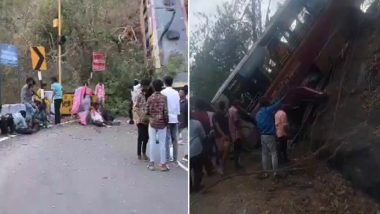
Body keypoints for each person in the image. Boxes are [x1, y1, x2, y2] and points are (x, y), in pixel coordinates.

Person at [255, 97, 283, 177]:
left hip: (262, 135)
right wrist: (281, 97)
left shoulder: (258, 114)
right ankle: (275, 172)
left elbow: (257, 126)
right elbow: (278, 104)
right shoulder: (268, 110)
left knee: (264, 154)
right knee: (273, 153)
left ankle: (266, 172)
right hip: (270, 135)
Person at [146, 79, 169, 171]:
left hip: (152, 122)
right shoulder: (164, 98)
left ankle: (151, 164)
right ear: (161, 87)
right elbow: (166, 112)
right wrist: (167, 123)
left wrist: (150, 118)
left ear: (153, 87)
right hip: (162, 123)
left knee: (152, 142)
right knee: (162, 143)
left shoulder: (150, 98)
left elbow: (146, 111)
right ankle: (163, 165)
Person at [161, 76, 180, 165]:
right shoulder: (176, 93)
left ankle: (167, 159)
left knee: (166, 139)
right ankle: (175, 159)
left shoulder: (162, 92)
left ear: (164, 82)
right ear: (172, 82)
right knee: (175, 139)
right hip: (174, 118)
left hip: (166, 118)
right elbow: (178, 106)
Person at [213, 101, 230, 174]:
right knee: (221, 151)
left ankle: (222, 165)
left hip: (224, 135)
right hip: (220, 136)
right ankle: (221, 164)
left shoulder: (225, 114)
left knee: (226, 150)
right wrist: (223, 135)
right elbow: (217, 126)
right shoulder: (216, 115)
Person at [134, 83, 150, 161]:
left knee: (146, 137)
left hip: (147, 120)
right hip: (140, 120)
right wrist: (140, 115)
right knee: (141, 136)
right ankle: (139, 154)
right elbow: (135, 108)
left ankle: (144, 152)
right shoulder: (139, 96)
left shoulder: (147, 96)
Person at [190, 115, 206, 192]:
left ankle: (190, 188)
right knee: (198, 169)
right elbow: (203, 135)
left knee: (189, 169)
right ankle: (197, 186)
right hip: (197, 149)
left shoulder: (182, 125)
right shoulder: (197, 123)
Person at [228, 100, 243, 169]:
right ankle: (237, 164)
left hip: (232, 132)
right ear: (236, 104)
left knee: (235, 148)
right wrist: (240, 131)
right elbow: (236, 122)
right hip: (236, 132)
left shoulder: (229, 109)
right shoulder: (235, 111)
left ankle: (236, 163)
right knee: (238, 149)